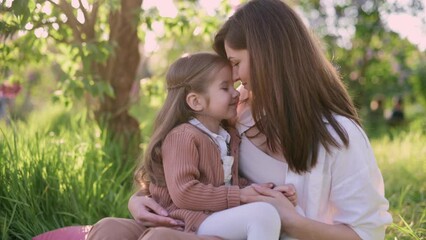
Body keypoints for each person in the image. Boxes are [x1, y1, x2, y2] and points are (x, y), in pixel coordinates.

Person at [89, 0, 392, 239]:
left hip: (249, 232)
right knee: (109, 230)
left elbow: (365, 234)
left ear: (268, 58)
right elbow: (194, 169)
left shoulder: (339, 136)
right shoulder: (237, 118)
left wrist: (290, 220)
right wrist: (141, 198)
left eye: (236, 64)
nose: (233, 79)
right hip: (203, 225)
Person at [88, 52, 297, 240]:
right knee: (108, 228)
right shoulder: (183, 136)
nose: (236, 94)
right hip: (185, 221)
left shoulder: (227, 137)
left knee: (265, 213)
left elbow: (225, 184)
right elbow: (185, 192)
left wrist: (266, 191)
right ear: (196, 102)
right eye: (225, 88)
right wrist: (240, 195)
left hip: (204, 223)